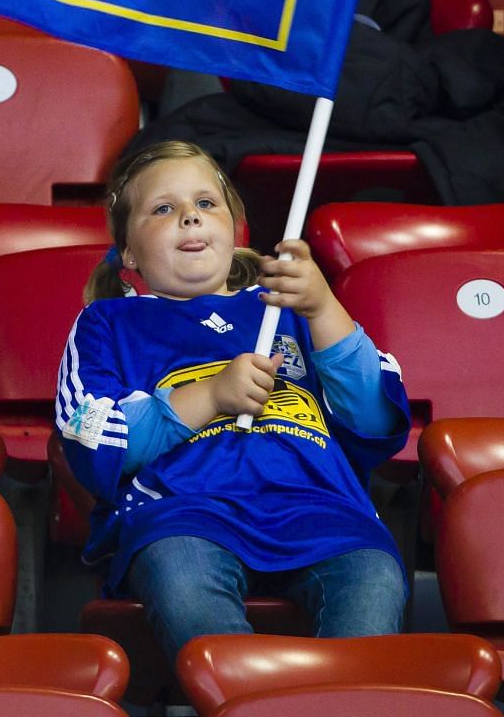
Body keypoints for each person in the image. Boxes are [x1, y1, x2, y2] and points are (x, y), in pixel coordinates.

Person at [56, 140, 410, 667]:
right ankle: (246, 700)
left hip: (320, 507)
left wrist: (324, 307)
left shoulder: (287, 307)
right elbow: (91, 437)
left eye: (205, 204)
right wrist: (210, 396)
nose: (190, 220)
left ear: (235, 227)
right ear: (128, 251)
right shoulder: (108, 323)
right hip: (185, 514)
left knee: (376, 577)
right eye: (163, 209)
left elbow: (374, 418)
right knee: (183, 582)